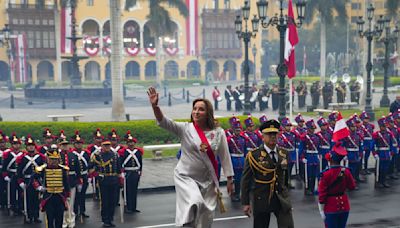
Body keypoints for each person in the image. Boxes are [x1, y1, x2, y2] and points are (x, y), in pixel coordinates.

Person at [147, 87, 234, 227]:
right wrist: (155, 106)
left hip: (208, 181)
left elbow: (225, 157)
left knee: (205, 218)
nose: (196, 112)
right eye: (194, 108)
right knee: (194, 202)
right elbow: (164, 122)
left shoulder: (218, 133)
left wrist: (230, 179)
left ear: (208, 113)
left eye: (201, 109)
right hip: (186, 178)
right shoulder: (185, 128)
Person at [241, 119, 293, 228]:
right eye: (269, 134)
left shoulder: (284, 153)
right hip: (262, 198)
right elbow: (246, 180)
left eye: (275, 134)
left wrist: (286, 192)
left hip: (281, 198)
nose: (273, 136)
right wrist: (246, 202)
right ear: (263, 136)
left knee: (287, 225)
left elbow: (285, 176)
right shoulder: (254, 155)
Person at [318, 144, 356, 228]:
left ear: (330, 160)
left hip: (331, 207)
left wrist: (321, 209)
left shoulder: (326, 174)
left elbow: (322, 195)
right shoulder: (346, 171)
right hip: (344, 206)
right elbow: (352, 186)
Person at [33, 144, 70, 228]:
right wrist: (38, 187)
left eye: (56, 159)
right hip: (48, 197)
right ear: (47, 159)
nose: (54, 161)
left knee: (59, 219)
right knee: (49, 219)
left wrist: (67, 195)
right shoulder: (43, 169)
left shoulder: (63, 169)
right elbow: (34, 179)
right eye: (52, 159)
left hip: (60, 196)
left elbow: (66, 183)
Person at [90, 139, 123, 227]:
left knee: (113, 201)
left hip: (114, 180)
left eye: (108, 145)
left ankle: (111, 219)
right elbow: (90, 169)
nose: (107, 147)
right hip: (104, 181)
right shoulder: (97, 156)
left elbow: (118, 168)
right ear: (102, 146)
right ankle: (105, 220)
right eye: (105, 145)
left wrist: (120, 179)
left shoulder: (115, 155)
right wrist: (97, 174)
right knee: (105, 201)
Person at [16, 135, 45, 223]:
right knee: (28, 200)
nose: (31, 147)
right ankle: (28, 216)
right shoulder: (22, 158)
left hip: (37, 181)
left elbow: (43, 171)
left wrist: (43, 183)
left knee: (37, 200)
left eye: (32, 145)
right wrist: (20, 182)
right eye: (29, 145)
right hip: (27, 181)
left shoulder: (40, 157)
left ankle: (36, 216)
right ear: (26, 147)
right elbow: (19, 172)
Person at [118, 130, 143, 214]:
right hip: (127, 173)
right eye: (129, 142)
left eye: (132, 142)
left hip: (135, 172)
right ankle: (128, 207)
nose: (131, 144)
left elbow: (140, 163)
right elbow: (120, 163)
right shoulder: (123, 152)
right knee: (127, 191)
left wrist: (140, 172)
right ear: (127, 143)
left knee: (134, 190)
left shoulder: (138, 152)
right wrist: (121, 173)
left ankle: (133, 207)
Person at [70, 131, 91, 219]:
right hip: (76, 177)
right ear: (74, 144)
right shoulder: (71, 154)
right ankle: (75, 211)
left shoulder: (86, 153)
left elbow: (89, 165)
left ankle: (82, 211)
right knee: (75, 196)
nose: (79, 145)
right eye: (77, 143)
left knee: (82, 195)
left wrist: (89, 176)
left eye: (80, 143)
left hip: (85, 176)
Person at [2, 133, 24, 215]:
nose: (16, 146)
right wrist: (5, 176)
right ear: (12, 145)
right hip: (12, 174)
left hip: (20, 175)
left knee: (21, 192)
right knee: (12, 191)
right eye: (14, 144)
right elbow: (4, 167)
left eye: (17, 144)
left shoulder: (23, 154)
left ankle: (21, 207)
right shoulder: (8, 154)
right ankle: (13, 206)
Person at [227, 121, 246, 202]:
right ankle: (232, 194)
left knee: (240, 179)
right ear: (233, 130)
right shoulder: (229, 139)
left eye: (239, 130)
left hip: (241, 161)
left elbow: (244, 151)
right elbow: (227, 151)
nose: (238, 131)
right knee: (233, 179)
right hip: (233, 160)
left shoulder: (243, 139)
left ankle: (238, 193)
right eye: (236, 130)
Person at [373, 117, 393, 188]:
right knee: (379, 169)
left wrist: (391, 152)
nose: (384, 127)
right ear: (380, 126)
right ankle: (378, 181)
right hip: (380, 153)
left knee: (385, 168)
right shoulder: (376, 134)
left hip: (387, 153)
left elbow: (391, 144)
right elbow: (373, 145)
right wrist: (374, 154)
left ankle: (384, 181)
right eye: (383, 126)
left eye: (385, 126)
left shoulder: (389, 134)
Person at [277, 117, 296, 189]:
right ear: (283, 126)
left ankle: (288, 182)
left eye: (289, 126)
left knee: (290, 169)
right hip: (284, 154)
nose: (289, 127)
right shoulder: (281, 136)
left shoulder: (293, 134)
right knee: (283, 169)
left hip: (291, 154)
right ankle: (282, 183)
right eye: (287, 126)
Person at [0, 130, 8, 210]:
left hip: (6, 173)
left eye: (3, 142)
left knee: (7, 188)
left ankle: (7, 202)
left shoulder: (8, 151)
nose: (2, 144)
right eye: (0, 143)